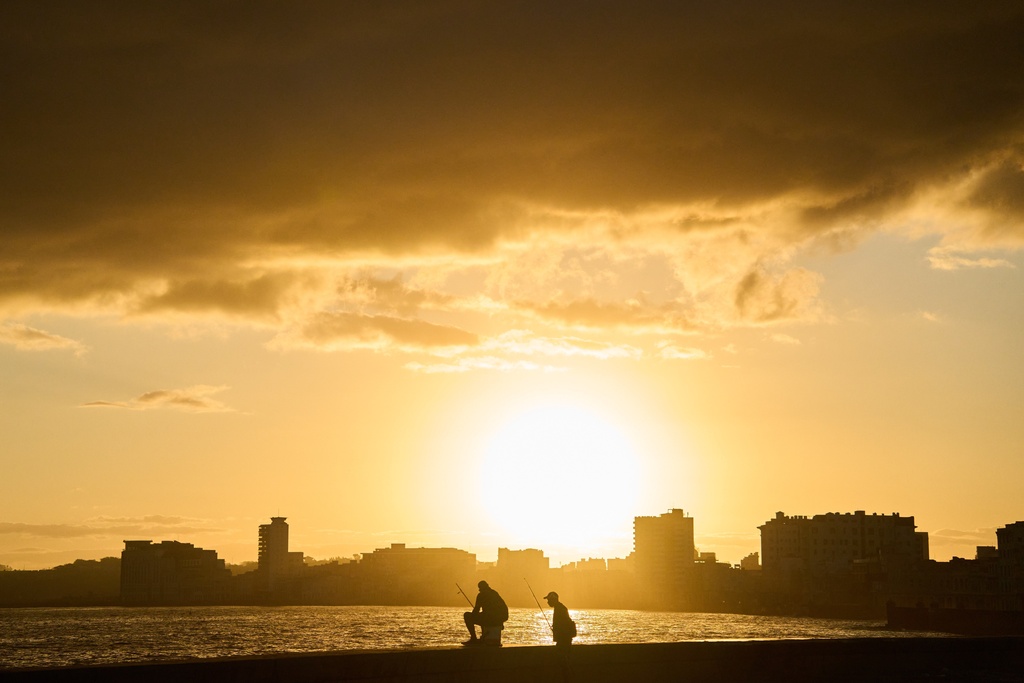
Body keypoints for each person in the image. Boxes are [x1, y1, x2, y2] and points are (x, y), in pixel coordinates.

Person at [463, 580, 508, 646]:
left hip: (491, 618)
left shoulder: (481, 595)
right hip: (501, 618)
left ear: (481, 588)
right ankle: (483, 637)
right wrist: (501, 622)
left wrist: (473, 616)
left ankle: (473, 638)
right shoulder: (495, 593)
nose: (479, 590)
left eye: (479, 588)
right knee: (484, 615)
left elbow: (476, 611)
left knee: (467, 616)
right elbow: (501, 609)